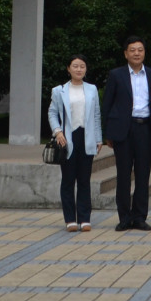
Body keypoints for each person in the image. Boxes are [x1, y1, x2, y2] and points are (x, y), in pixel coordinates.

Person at [102, 36, 151, 232]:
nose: (136, 53)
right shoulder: (116, 75)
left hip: (145, 128)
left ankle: (140, 217)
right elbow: (107, 104)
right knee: (123, 175)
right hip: (123, 130)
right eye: (132, 50)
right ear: (126, 53)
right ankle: (124, 218)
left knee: (143, 175)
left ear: (144, 53)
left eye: (140, 50)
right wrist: (107, 133)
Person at [49, 55, 103, 232]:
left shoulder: (92, 89)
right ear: (68, 69)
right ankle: (70, 219)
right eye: (75, 66)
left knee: (84, 180)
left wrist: (98, 138)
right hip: (67, 138)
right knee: (68, 180)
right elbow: (52, 113)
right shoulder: (59, 91)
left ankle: (85, 218)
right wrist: (58, 131)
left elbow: (96, 115)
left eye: (82, 66)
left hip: (86, 137)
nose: (79, 69)